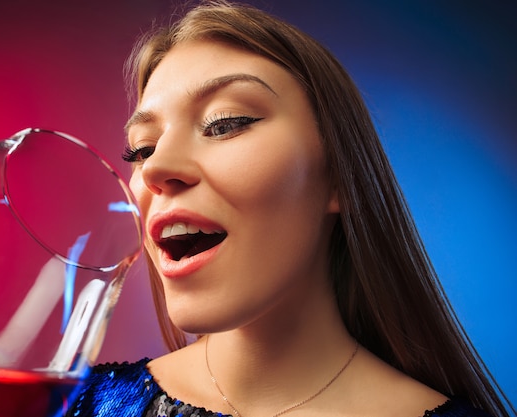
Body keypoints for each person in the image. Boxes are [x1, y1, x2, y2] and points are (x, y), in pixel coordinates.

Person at [67, 1, 513, 416]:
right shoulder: (74, 403)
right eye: (142, 149)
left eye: (225, 123)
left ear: (339, 175)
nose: (155, 168)